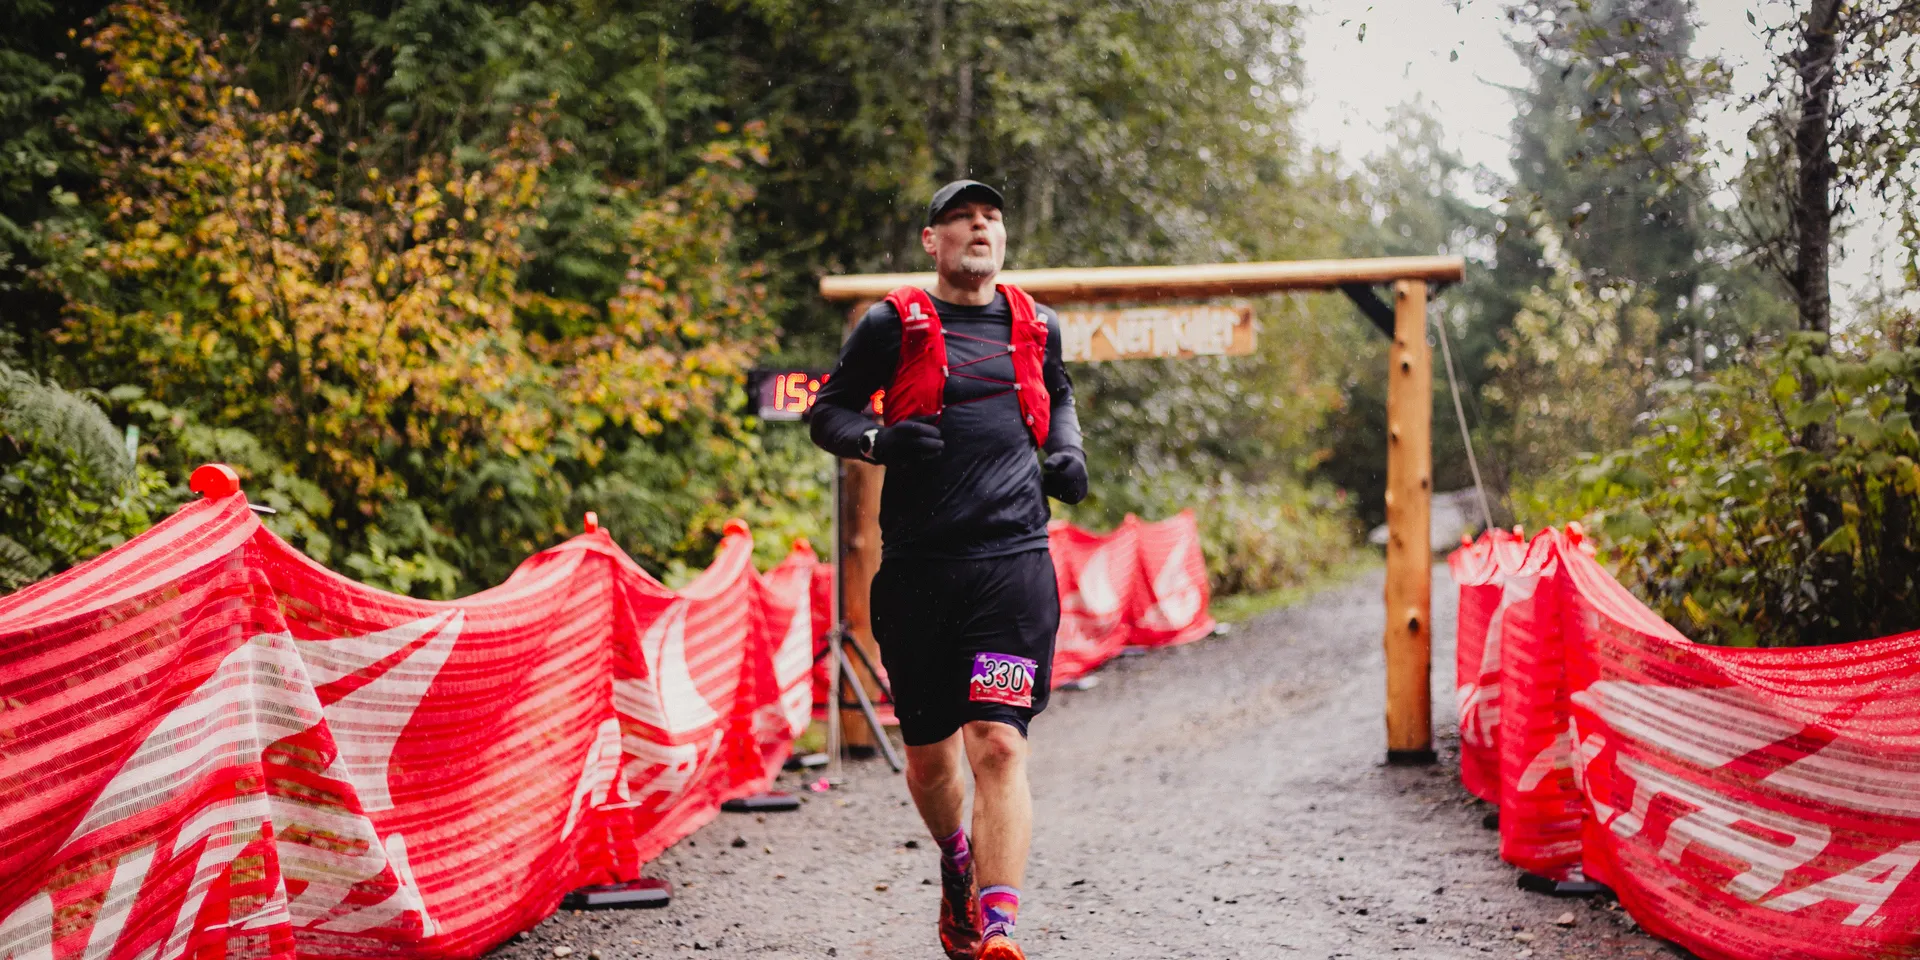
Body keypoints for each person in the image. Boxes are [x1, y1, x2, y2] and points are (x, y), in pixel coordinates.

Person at [807, 180, 1087, 960]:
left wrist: (1068, 451)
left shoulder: (1037, 325)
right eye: (962, 218)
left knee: (998, 742)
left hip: (1011, 570)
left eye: (991, 217)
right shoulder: (890, 324)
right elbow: (827, 412)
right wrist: (878, 441)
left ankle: (998, 931)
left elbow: (1059, 395)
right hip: (920, 575)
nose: (979, 227)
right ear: (933, 241)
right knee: (931, 759)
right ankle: (955, 861)